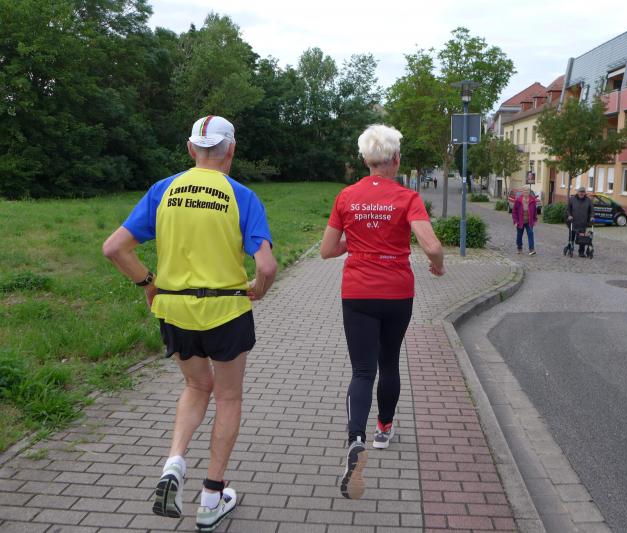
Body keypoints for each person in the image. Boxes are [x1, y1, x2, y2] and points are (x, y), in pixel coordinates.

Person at [102, 115, 277, 532]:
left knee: (197, 386)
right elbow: (267, 265)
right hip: (226, 310)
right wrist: (259, 288)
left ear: (191, 148)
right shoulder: (242, 195)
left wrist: (149, 283)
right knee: (228, 397)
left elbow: (114, 248)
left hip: (175, 310)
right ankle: (212, 497)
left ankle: (174, 463)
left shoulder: (163, 190)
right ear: (230, 150)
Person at [320, 124, 445, 500]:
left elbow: (326, 250)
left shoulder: (346, 196)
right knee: (389, 363)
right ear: (396, 159)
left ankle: (355, 438)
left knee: (362, 371)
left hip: (357, 292)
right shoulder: (408, 197)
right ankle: (384, 430)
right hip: (396, 293)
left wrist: (354, 244)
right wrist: (437, 266)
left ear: (365, 159)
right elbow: (431, 245)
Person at [567, 186, 594, 257]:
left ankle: (581, 252)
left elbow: (592, 210)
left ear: (585, 193)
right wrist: (569, 215)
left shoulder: (588, 200)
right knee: (571, 237)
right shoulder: (572, 199)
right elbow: (568, 209)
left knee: (582, 239)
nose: (581, 193)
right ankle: (570, 249)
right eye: (580, 192)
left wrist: (592, 216)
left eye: (583, 192)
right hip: (573, 222)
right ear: (578, 192)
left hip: (583, 223)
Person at [512, 189, 537, 255]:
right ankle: (519, 248)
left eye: (527, 191)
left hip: (529, 221)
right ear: (522, 192)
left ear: (529, 192)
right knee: (519, 235)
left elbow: (535, 211)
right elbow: (514, 212)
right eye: (525, 190)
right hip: (520, 221)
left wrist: (535, 220)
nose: (526, 192)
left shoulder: (532, 200)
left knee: (530, 234)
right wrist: (515, 221)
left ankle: (531, 249)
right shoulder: (518, 200)